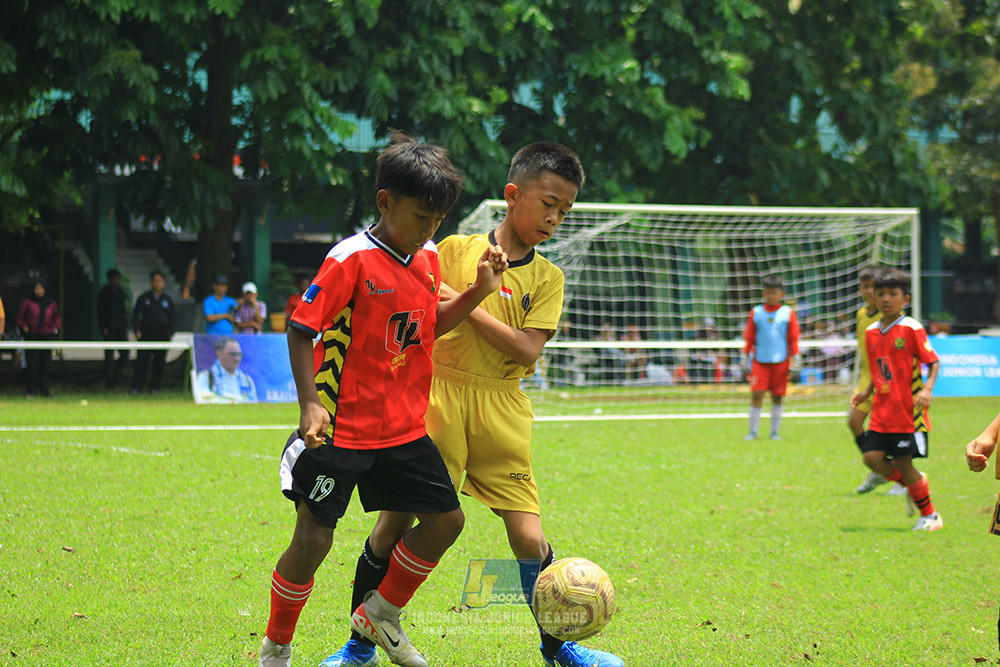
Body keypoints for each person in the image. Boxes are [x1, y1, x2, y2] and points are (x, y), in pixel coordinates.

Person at [324, 142, 622, 667]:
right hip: (438, 395)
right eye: (548, 202)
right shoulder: (451, 249)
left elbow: (527, 349)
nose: (555, 217)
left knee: (529, 539)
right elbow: (422, 314)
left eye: (565, 210)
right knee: (392, 523)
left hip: (504, 408)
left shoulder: (548, 278)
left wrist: (473, 302)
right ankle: (358, 646)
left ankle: (558, 648)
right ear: (513, 194)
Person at [258, 133, 509, 667]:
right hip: (340, 429)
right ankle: (276, 649)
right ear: (385, 201)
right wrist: (310, 403)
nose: (430, 229)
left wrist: (479, 291)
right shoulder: (349, 259)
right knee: (313, 542)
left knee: (446, 523)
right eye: (422, 216)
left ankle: (382, 612)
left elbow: (425, 330)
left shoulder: (427, 261)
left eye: (438, 219)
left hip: (402, 430)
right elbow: (301, 330)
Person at [850, 268, 942, 531]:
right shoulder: (871, 332)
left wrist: (927, 390)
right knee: (871, 457)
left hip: (906, 409)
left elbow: (933, 362)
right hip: (882, 408)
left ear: (906, 299)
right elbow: (878, 368)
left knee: (902, 461)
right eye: (880, 294)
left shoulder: (912, 328)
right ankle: (914, 486)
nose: (885, 299)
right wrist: (867, 391)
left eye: (892, 294)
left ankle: (931, 516)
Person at [850, 265, 904, 496]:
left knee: (891, 431)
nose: (869, 291)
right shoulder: (862, 315)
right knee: (854, 422)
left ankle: (901, 477)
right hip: (867, 378)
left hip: (887, 381)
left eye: (873, 287)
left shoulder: (889, 317)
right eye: (865, 286)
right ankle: (882, 468)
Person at [742, 274, 800, 440]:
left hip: (781, 361)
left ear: (781, 293)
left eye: (774, 292)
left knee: (777, 397)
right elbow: (749, 338)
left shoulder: (788, 313)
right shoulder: (756, 312)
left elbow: (793, 339)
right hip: (760, 361)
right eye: (768, 292)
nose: (771, 296)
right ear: (764, 293)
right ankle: (753, 431)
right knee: (757, 394)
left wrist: (796, 363)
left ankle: (774, 432)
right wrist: (744, 359)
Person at [131, 270, 176, 395]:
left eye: (160, 281)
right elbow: (136, 316)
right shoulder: (144, 298)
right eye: (155, 281)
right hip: (146, 335)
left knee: (159, 363)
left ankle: (154, 387)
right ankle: (137, 387)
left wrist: (170, 332)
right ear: (151, 283)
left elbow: (173, 317)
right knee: (142, 362)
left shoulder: (167, 299)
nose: (157, 283)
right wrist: (137, 330)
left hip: (162, 335)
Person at [16, 280, 60, 397]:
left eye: (41, 288)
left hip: (47, 336)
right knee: (33, 364)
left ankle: (45, 390)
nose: (39, 291)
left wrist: (55, 328)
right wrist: (25, 328)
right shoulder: (27, 302)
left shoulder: (51, 303)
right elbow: (20, 319)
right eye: (37, 289)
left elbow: (56, 318)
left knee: (45, 364)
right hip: (32, 336)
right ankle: (33, 390)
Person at [195, 336, 257, 402]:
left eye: (239, 355)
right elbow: (203, 400)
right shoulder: (206, 377)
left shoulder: (247, 380)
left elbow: (254, 403)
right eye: (232, 354)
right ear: (219, 354)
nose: (237, 359)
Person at [97, 268, 130, 389]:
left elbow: (124, 311)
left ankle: (116, 377)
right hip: (109, 328)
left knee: (125, 354)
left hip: (121, 328)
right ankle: (109, 382)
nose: (117, 281)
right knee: (109, 357)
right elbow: (100, 312)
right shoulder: (104, 293)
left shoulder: (121, 292)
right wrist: (104, 326)